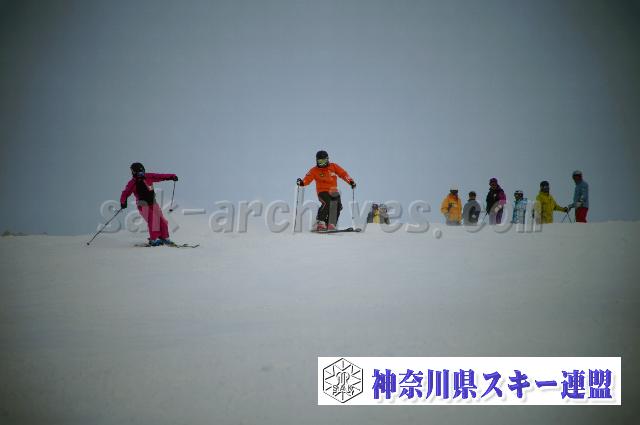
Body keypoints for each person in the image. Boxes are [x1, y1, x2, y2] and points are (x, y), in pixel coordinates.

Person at [120, 162, 178, 246]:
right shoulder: (132, 183)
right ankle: (154, 239)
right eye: (139, 173)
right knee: (153, 220)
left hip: (153, 203)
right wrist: (123, 202)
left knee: (162, 220)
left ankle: (165, 237)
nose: (141, 175)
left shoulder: (149, 176)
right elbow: (125, 193)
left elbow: (160, 176)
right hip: (142, 204)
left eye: (142, 172)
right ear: (134, 173)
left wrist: (172, 176)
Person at [297, 150, 355, 231]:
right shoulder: (314, 170)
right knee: (327, 202)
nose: (322, 164)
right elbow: (308, 178)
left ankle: (331, 223)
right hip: (322, 191)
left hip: (333, 191)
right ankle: (320, 222)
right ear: (316, 161)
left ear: (327, 159)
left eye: (324, 161)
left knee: (338, 205)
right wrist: (302, 183)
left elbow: (343, 174)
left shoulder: (333, 166)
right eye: (320, 161)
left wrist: (350, 181)